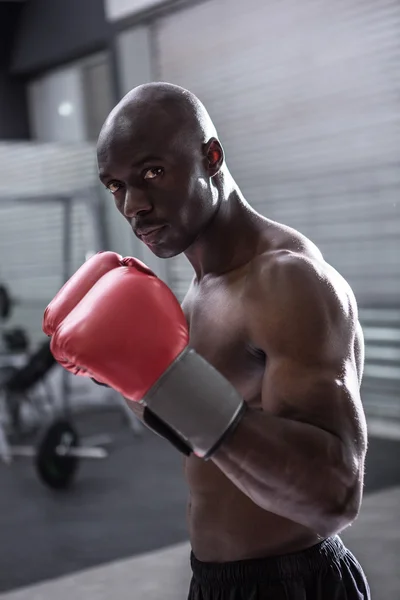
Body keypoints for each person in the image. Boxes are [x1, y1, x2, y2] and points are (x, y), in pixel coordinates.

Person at [43, 82, 370, 599]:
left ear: (211, 157)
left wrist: (171, 387)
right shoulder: (198, 289)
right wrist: (131, 380)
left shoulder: (286, 281)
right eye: (116, 186)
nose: (134, 206)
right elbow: (202, 440)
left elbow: (334, 496)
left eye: (152, 173)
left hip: (291, 581)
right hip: (216, 580)